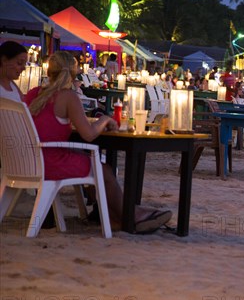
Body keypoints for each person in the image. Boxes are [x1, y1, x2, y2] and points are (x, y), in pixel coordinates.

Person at [23, 51, 172, 233]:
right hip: (51, 162)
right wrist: (105, 119)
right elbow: (88, 135)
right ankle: (129, 216)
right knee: (104, 170)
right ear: (73, 73)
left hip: (29, 161)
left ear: (49, 72)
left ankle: (111, 217)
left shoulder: (33, 94)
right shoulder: (68, 97)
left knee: (92, 161)